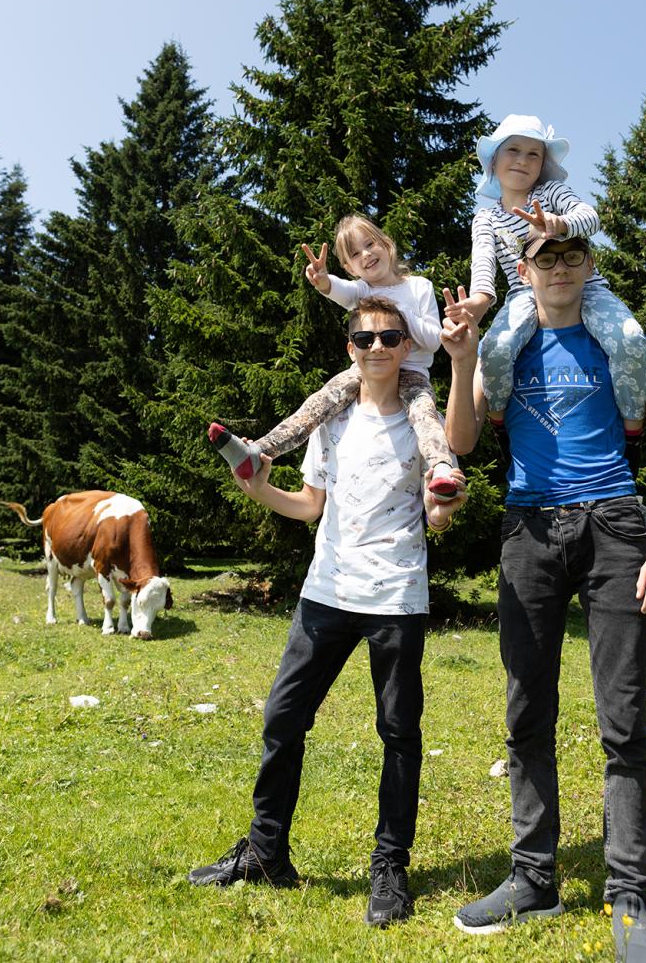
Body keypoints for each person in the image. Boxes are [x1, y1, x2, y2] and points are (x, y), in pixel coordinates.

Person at [441, 233, 646, 962]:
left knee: (624, 719)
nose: (558, 269)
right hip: (528, 531)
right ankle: (534, 880)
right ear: (524, 272)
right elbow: (460, 440)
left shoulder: (623, 347)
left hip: (613, 525)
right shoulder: (503, 350)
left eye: (571, 258)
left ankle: (631, 898)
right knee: (526, 712)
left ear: (588, 268)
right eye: (545, 259)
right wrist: (459, 360)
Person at [190, 296, 467, 928]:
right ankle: (266, 853)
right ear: (350, 349)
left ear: (405, 348)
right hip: (326, 591)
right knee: (282, 719)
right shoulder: (332, 422)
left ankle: (390, 868)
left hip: (396, 596)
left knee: (398, 734)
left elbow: (436, 511)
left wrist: (443, 511)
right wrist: (260, 487)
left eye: (389, 338)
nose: (377, 348)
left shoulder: (424, 427)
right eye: (365, 339)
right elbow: (311, 506)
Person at [444, 114, 646, 470]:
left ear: (543, 165)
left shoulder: (551, 194)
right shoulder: (486, 218)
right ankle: (499, 427)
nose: (522, 160)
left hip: (589, 289)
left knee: (630, 338)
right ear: (494, 160)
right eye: (513, 150)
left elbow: (591, 215)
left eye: (533, 154)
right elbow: (483, 270)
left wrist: (560, 223)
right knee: (495, 348)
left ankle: (632, 436)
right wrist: (476, 304)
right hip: (526, 295)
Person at [210, 213, 458, 500]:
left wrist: (397, 312)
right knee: (318, 403)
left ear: (386, 244)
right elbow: (340, 290)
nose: (366, 254)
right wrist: (322, 281)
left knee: (425, 414)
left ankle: (441, 468)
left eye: (370, 244)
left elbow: (432, 341)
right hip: (364, 373)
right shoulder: (362, 290)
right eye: (355, 254)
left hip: (412, 373)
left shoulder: (418, 287)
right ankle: (258, 452)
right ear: (349, 267)